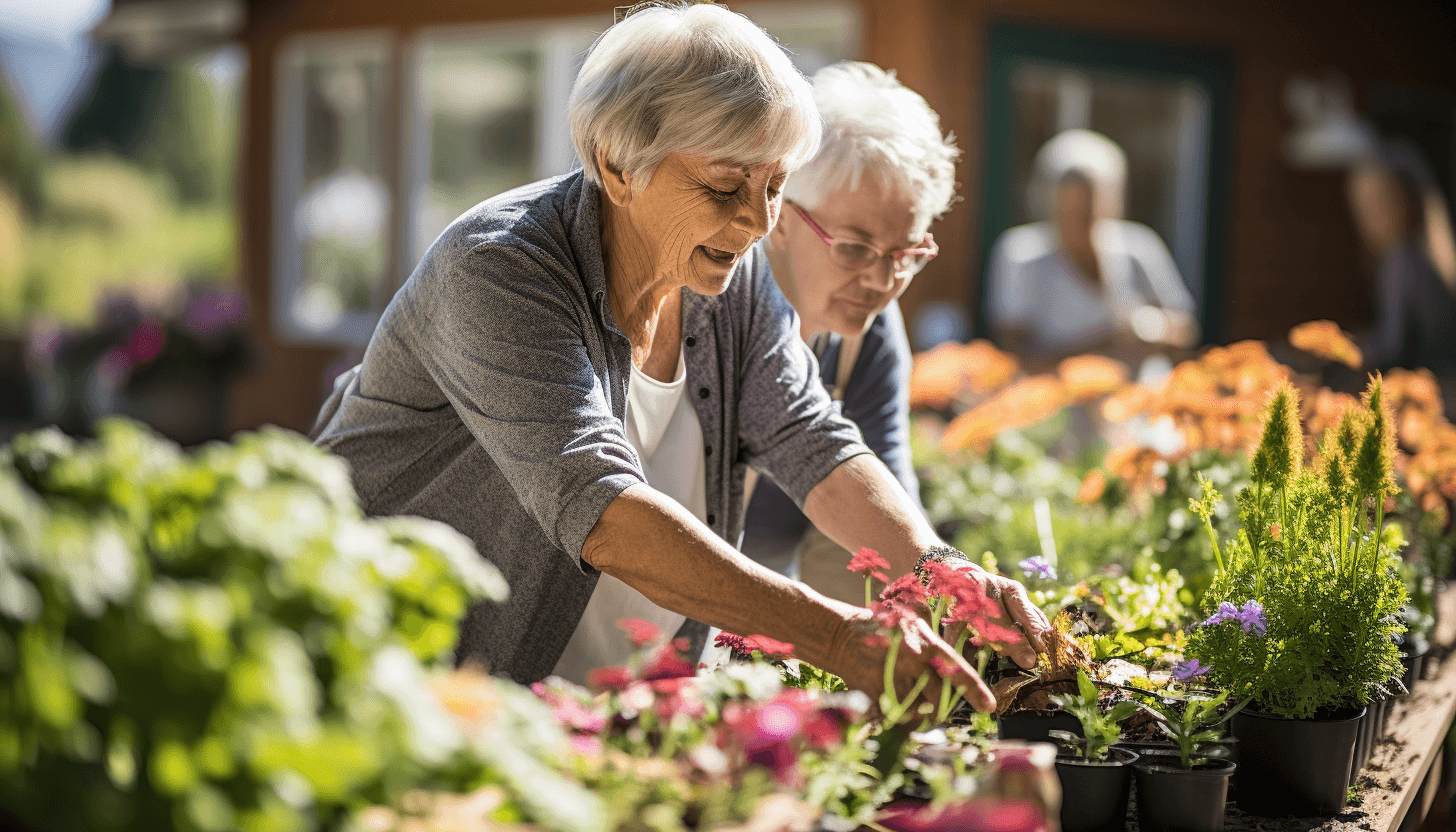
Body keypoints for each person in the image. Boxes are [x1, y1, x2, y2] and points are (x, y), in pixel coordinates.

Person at [310, 3, 1047, 706]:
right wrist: (831, 636)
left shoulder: (728, 273)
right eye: (725, 186)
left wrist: (941, 570)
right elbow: (601, 507)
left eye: (774, 186)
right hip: (410, 685)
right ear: (617, 165)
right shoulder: (499, 269)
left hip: (605, 705)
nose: (756, 222)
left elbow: (808, 436)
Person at [742, 61, 955, 606]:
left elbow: (887, 505)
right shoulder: (714, 310)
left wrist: (949, 601)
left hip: (772, 604)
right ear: (780, 215)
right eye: (856, 248)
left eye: (905, 254)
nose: (882, 282)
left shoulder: (869, 333)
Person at [987, 129, 1198, 369]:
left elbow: (1186, 330)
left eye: (1088, 212)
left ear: (1111, 204)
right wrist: (1107, 344)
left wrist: (1150, 326)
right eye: (1068, 210)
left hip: (1140, 388)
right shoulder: (1021, 254)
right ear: (1047, 203)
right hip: (1056, 389)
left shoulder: (1139, 247)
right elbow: (1015, 353)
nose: (1077, 223)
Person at [1346, 140, 1456, 375]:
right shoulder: (1432, 258)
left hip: (1429, 384)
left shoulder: (1401, 263)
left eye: (1380, 206)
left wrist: (1346, 348)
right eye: (1363, 210)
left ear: (1408, 201)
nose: (1371, 222)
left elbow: (1392, 347)